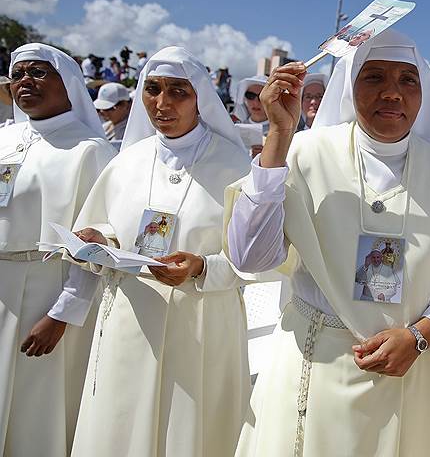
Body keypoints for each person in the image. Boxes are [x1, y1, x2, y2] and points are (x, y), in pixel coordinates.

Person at [226, 29, 430, 457]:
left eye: (407, 80)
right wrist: (278, 135)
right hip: (312, 363)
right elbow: (250, 257)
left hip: (405, 368)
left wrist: (420, 336)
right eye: (374, 77)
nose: (392, 93)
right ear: (350, 85)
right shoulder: (304, 152)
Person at [70, 46, 254, 457]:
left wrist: (203, 267)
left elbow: (256, 257)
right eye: (152, 89)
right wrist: (100, 239)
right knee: (121, 423)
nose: (162, 102)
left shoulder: (233, 164)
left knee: (190, 430)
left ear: (200, 99)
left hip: (202, 319)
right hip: (131, 315)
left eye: (178, 91)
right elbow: (109, 224)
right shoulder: (127, 160)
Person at [1, 43, 116, 456]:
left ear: (67, 83)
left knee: (36, 408)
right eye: (18, 74)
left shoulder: (90, 149)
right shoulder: (5, 138)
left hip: (46, 291)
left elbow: (98, 239)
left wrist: (64, 312)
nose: (25, 82)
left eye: (38, 72)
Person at [232, 74, 269, 156]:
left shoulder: (279, 131)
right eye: (250, 96)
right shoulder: (235, 129)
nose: (256, 102)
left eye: (262, 96)